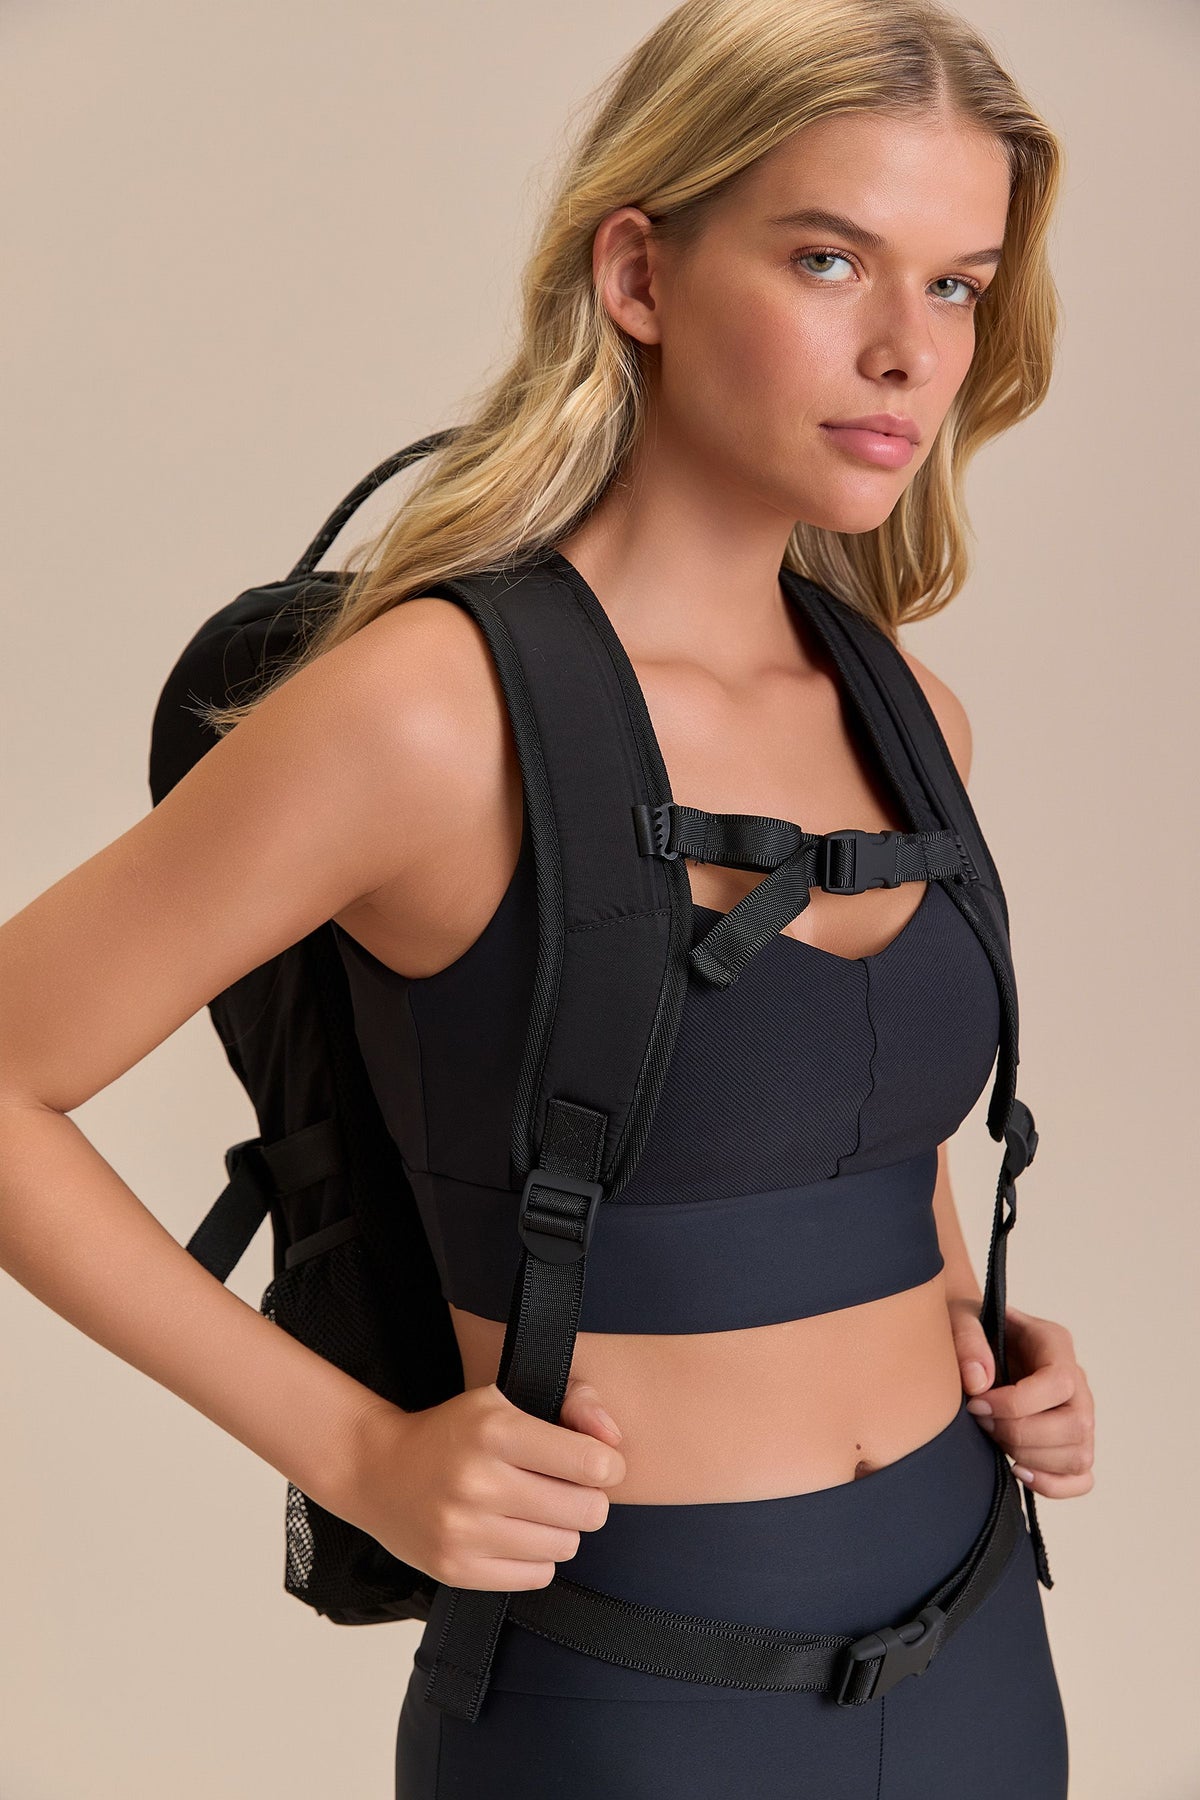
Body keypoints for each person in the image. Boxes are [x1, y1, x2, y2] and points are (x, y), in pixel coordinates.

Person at [0, 0, 1094, 1794]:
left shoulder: (909, 709)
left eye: (959, 284)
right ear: (639, 273)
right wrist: (360, 1456)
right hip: (630, 1703)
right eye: (831, 260)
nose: (912, 350)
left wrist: (977, 1339)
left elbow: (860, 1136)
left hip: (981, 1640)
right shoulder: (431, 715)